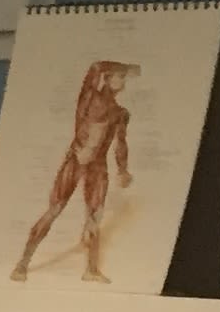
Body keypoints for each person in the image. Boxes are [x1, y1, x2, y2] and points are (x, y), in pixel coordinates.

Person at [12, 59, 138, 283]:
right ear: (108, 78)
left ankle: (91, 270)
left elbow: (121, 144)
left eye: (124, 77)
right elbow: (95, 66)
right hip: (76, 160)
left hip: (97, 166)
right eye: (120, 76)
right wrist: (126, 67)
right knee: (54, 209)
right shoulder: (89, 97)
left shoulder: (120, 113)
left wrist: (123, 170)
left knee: (94, 217)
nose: (123, 80)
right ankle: (22, 263)